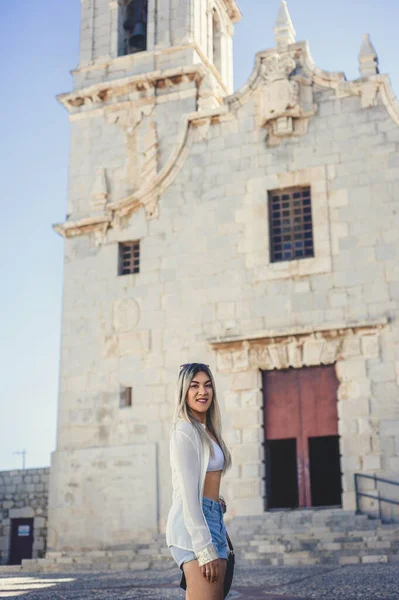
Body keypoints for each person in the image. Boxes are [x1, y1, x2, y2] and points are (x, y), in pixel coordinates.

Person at [166, 363, 232, 600]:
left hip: (213, 518)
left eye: (207, 385)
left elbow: (202, 478)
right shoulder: (185, 431)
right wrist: (204, 550)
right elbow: (187, 496)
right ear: (183, 391)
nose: (202, 392)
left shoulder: (206, 429)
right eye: (194, 386)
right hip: (194, 524)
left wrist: (216, 500)